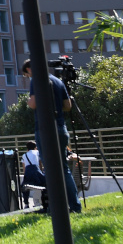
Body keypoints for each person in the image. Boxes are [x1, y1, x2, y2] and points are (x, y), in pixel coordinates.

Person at [22, 58, 82, 213]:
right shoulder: (58, 81)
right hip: (61, 128)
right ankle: (75, 206)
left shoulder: (36, 80)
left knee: (49, 168)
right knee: (63, 168)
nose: (27, 77)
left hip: (44, 129)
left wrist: (29, 102)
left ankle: (55, 208)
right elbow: (68, 106)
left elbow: (33, 103)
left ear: (29, 69)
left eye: (26, 74)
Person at [21, 141, 46, 208]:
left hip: (28, 171)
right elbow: (40, 163)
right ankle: (44, 201)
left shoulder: (24, 155)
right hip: (36, 170)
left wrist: (25, 175)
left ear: (27, 148)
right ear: (35, 147)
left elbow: (24, 167)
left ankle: (26, 203)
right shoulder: (37, 152)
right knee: (44, 184)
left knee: (25, 187)